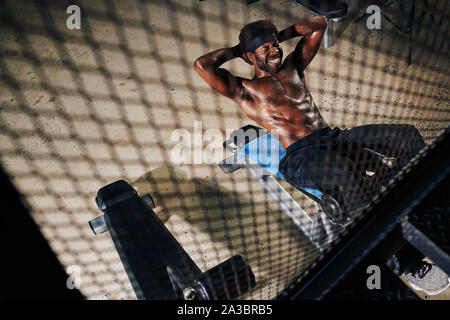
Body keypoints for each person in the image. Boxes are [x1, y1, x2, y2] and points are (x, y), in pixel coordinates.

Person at [194, 17, 448, 295]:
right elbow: (202, 65)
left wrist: (276, 35)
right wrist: (240, 48)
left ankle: (419, 214)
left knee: (406, 137)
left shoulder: (293, 67)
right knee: (343, 172)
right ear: (250, 57)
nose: (275, 50)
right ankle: (405, 263)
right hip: (300, 157)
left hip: (334, 138)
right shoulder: (246, 91)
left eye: (276, 45)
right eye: (265, 48)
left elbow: (318, 25)